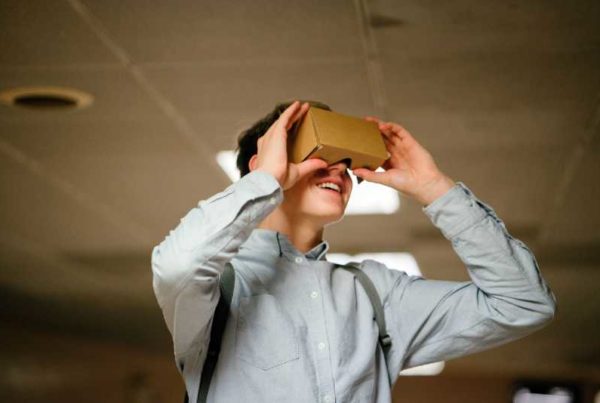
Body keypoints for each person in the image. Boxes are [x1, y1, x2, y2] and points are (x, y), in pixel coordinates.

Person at [151, 100, 556, 403]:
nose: (339, 173)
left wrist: (435, 188)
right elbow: (176, 267)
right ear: (264, 165)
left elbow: (523, 302)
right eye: (318, 159)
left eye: (344, 164)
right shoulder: (221, 285)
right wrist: (263, 183)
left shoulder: (374, 293)